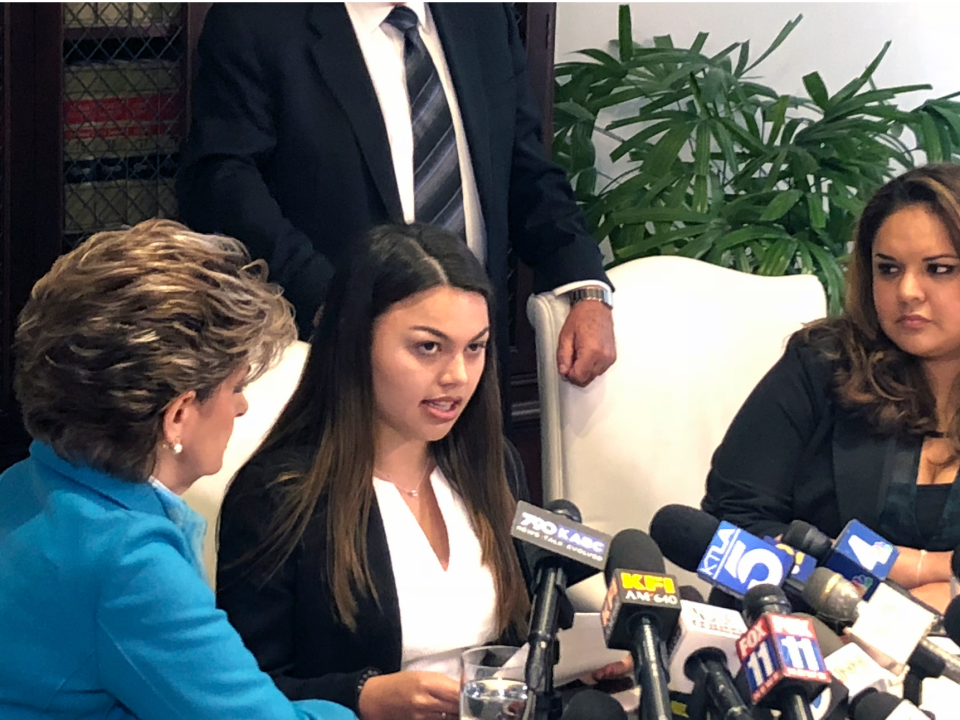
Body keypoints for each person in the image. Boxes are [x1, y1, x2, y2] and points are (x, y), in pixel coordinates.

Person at [217, 224, 628, 720]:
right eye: (428, 348)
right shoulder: (277, 497)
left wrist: (582, 656)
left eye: (474, 348)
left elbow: (533, 630)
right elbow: (233, 695)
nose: (457, 376)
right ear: (355, 343)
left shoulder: (493, 464)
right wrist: (361, 697)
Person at [0, 219, 354, 720]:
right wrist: (360, 704)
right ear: (179, 414)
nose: (243, 407)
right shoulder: (128, 563)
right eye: (235, 386)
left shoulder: (23, 483)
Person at [177, 1, 616, 392]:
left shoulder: (483, 15)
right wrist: (336, 305)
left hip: (473, 364)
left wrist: (584, 286)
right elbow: (223, 184)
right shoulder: (257, 21)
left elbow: (525, 167)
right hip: (334, 363)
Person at [701, 164, 960, 612]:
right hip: (816, 642)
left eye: (939, 269)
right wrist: (905, 574)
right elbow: (734, 519)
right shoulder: (823, 363)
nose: (908, 291)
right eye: (888, 269)